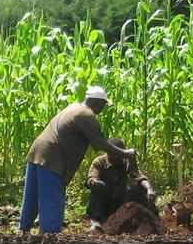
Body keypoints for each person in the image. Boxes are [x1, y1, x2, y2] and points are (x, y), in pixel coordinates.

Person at [19, 85, 136, 234]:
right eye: (103, 105)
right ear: (97, 103)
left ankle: (23, 231)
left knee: (33, 195)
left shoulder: (73, 107)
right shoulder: (86, 115)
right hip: (52, 157)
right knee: (52, 199)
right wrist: (126, 154)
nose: (103, 109)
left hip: (38, 151)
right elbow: (101, 144)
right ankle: (50, 236)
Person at [85, 137, 157, 230]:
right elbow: (92, 178)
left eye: (120, 153)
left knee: (139, 190)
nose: (118, 157)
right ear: (108, 153)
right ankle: (96, 219)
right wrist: (93, 182)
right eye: (115, 154)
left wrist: (149, 189)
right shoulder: (99, 162)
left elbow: (138, 175)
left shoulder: (125, 160)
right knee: (100, 186)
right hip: (103, 203)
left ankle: (154, 218)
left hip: (120, 202)